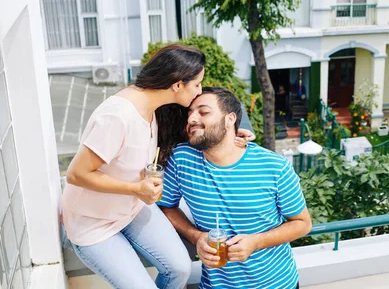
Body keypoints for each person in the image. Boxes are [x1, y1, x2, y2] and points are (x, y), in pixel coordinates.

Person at [62, 45, 255, 289]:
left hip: (130, 209)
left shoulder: (154, 108)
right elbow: (76, 174)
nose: (199, 91)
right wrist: (136, 190)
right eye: (196, 84)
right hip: (93, 224)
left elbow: (181, 137)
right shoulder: (117, 116)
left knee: (180, 269)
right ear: (177, 85)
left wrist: (228, 135)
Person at [158, 87, 312, 289]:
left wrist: (256, 241)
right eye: (190, 114)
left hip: (278, 284)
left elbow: (302, 223)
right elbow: (166, 206)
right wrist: (196, 237)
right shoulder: (181, 159)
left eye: (203, 112)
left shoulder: (274, 166)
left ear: (230, 119)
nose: (192, 119)